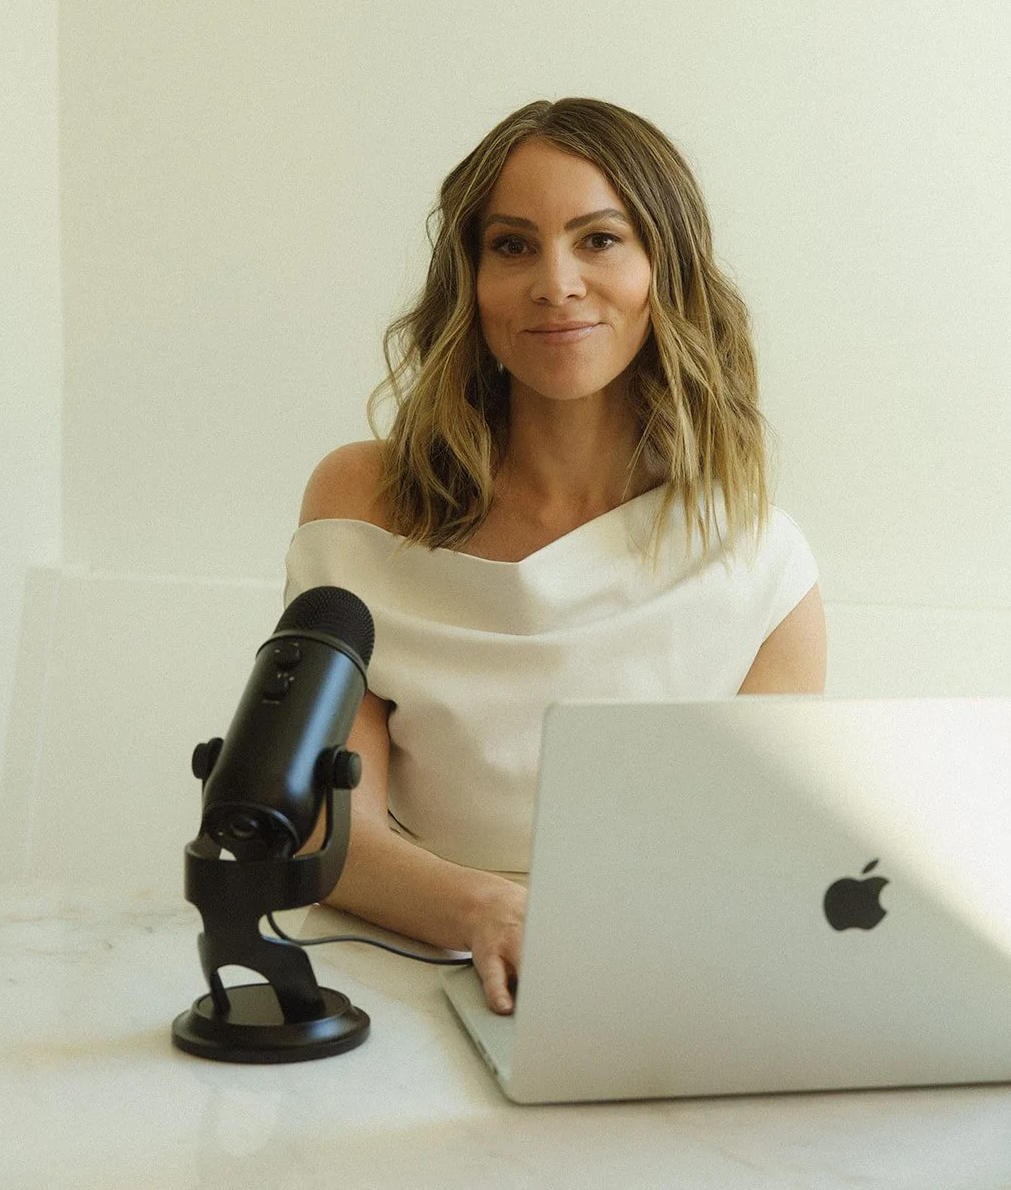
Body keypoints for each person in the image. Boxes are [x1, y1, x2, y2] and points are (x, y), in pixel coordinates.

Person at [285, 97, 826, 1015]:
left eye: (599, 239)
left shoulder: (759, 560)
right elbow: (323, 830)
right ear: (470, 281)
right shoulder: (360, 502)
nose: (556, 283)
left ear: (667, 271)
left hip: (642, 978)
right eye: (511, 245)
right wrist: (485, 910)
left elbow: (755, 858)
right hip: (393, 958)